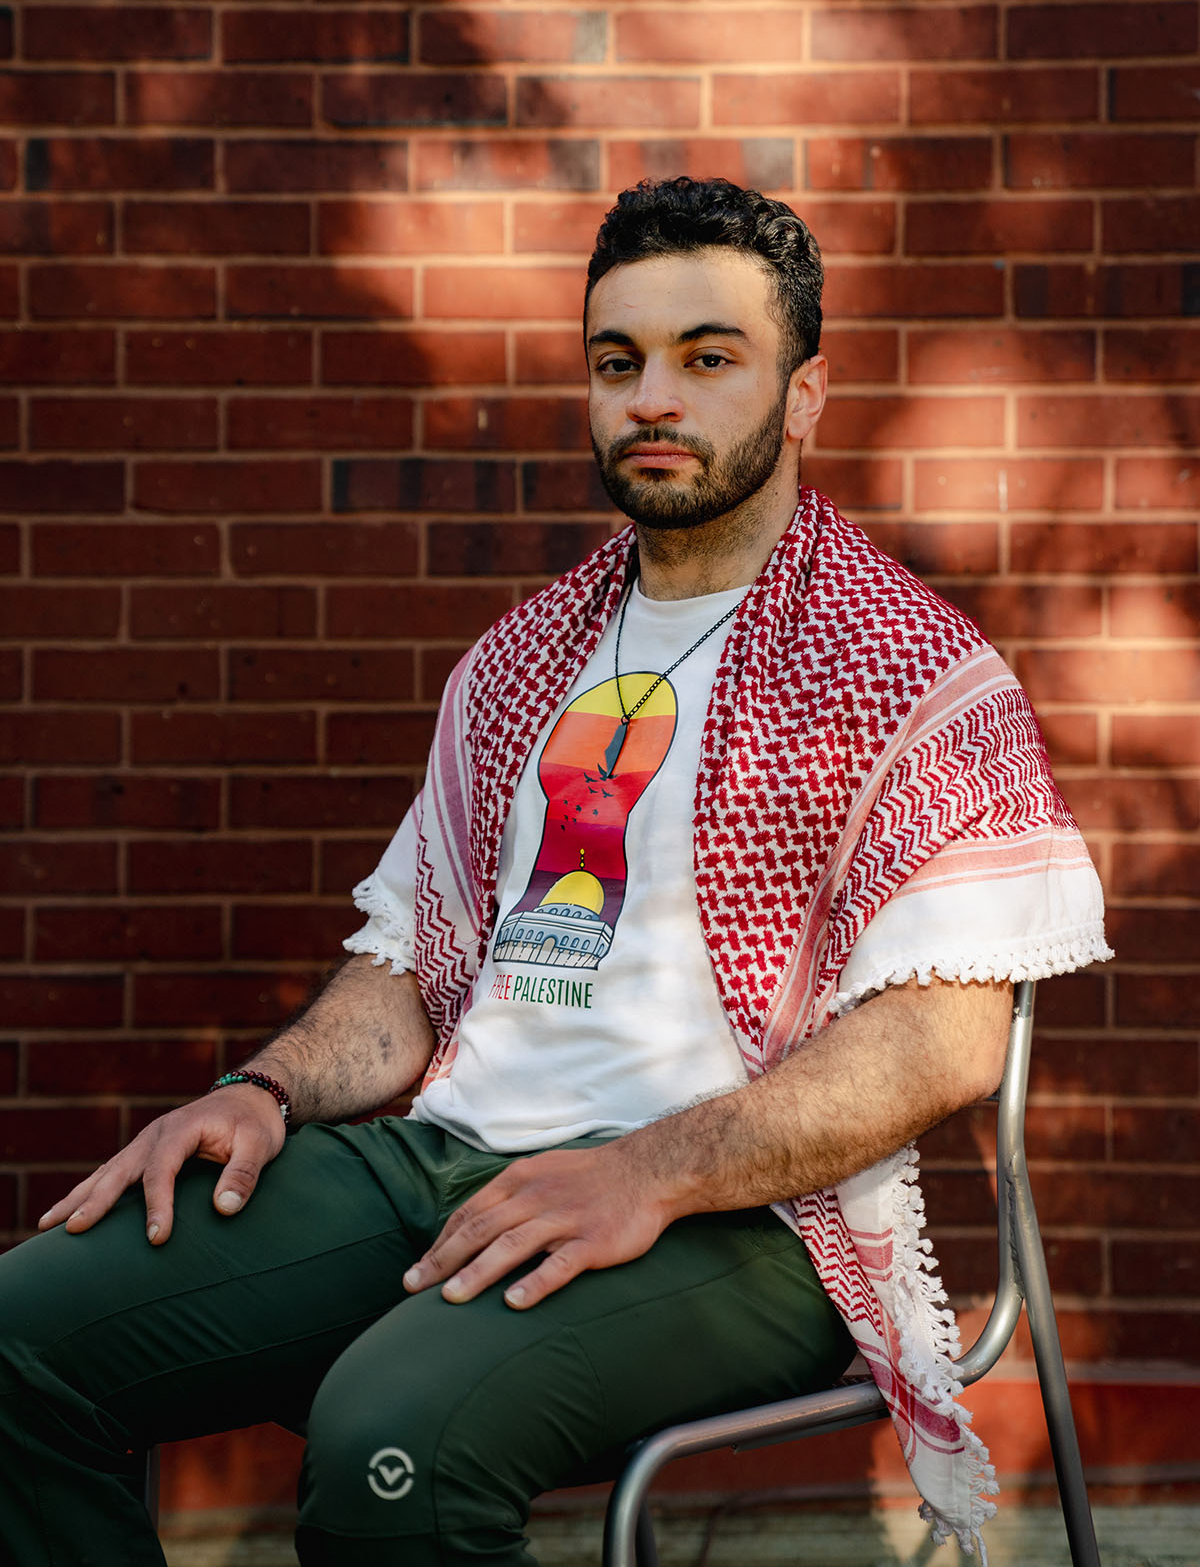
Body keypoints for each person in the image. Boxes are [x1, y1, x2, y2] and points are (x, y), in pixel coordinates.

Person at [0, 178, 1110, 1566]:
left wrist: (644, 1171)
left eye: (710, 359)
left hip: (745, 1215)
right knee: (21, 1340)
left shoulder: (914, 674)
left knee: (389, 1445)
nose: (655, 396)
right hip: (448, 1159)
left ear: (807, 394)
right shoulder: (521, 660)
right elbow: (411, 968)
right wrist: (262, 1089)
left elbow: (946, 1042)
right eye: (617, 360)